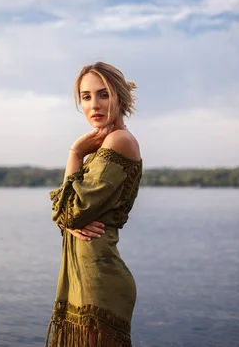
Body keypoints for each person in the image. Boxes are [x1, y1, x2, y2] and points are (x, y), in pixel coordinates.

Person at [45, 62, 143, 347]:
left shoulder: (119, 140)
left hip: (99, 281)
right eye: (86, 97)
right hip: (86, 276)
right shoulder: (104, 145)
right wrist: (68, 220)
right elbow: (68, 216)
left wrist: (75, 153)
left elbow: (69, 211)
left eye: (104, 94)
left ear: (120, 97)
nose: (94, 105)